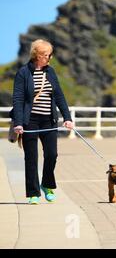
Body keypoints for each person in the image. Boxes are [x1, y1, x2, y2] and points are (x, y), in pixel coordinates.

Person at [11, 39, 73, 205]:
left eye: (50, 55)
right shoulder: (24, 73)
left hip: (49, 120)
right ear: (37, 55)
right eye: (46, 55)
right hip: (29, 121)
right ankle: (33, 192)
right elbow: (17, 99)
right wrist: (18, 122)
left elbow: (59, 95)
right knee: (31, 157)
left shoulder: (50, 72)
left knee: (52, 155)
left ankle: (47, 184)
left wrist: (67, 118)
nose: (49, 58)